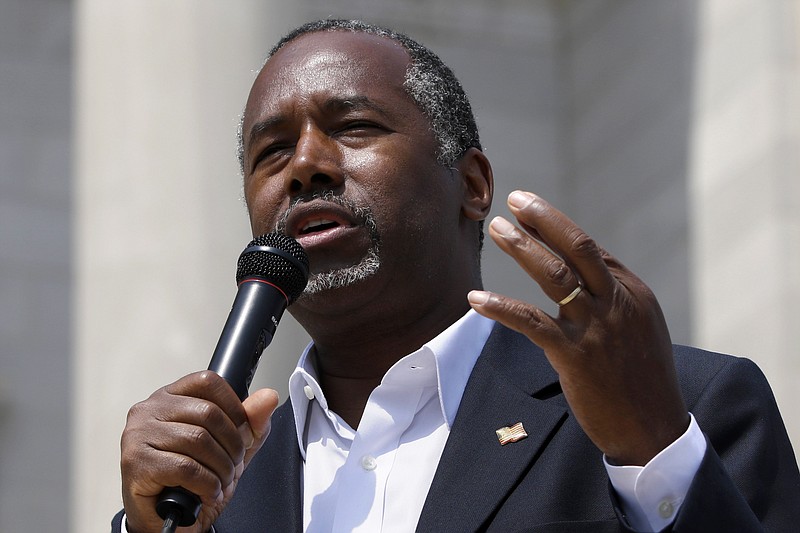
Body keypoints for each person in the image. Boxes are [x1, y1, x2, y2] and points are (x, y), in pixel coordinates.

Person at [112, 19, 800, 533]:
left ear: (471, 184)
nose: (306, 165)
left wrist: (657, 458)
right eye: (272, 151)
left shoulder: (673, 409)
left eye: (352, 126)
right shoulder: (206, 490)